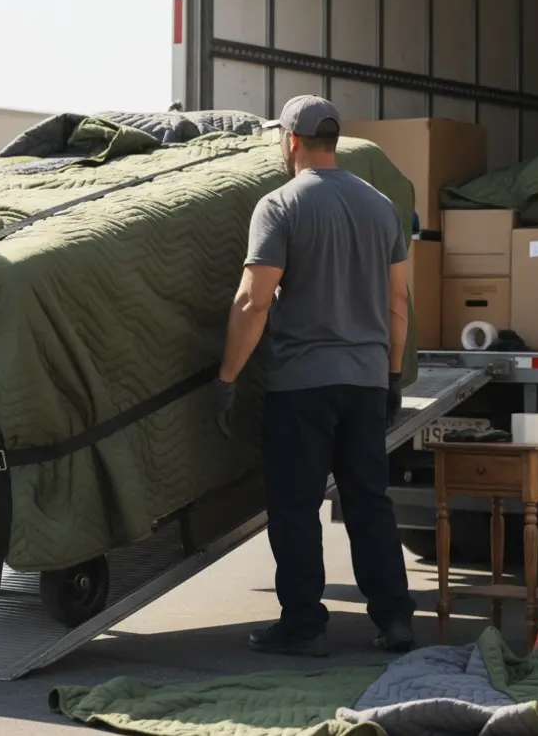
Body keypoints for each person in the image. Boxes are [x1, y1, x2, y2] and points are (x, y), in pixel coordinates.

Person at [213, 94, 417, 657]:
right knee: (370, 503)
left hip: (301, 384)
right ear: (334, 140)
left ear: (292, 140)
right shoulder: (380, 207)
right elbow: (399, 302)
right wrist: (393, 375)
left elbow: (253, 302)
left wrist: (227, 377)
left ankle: (303, 624)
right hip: (366, 381)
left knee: (296, 507)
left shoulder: (279, 205)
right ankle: (395, 618)